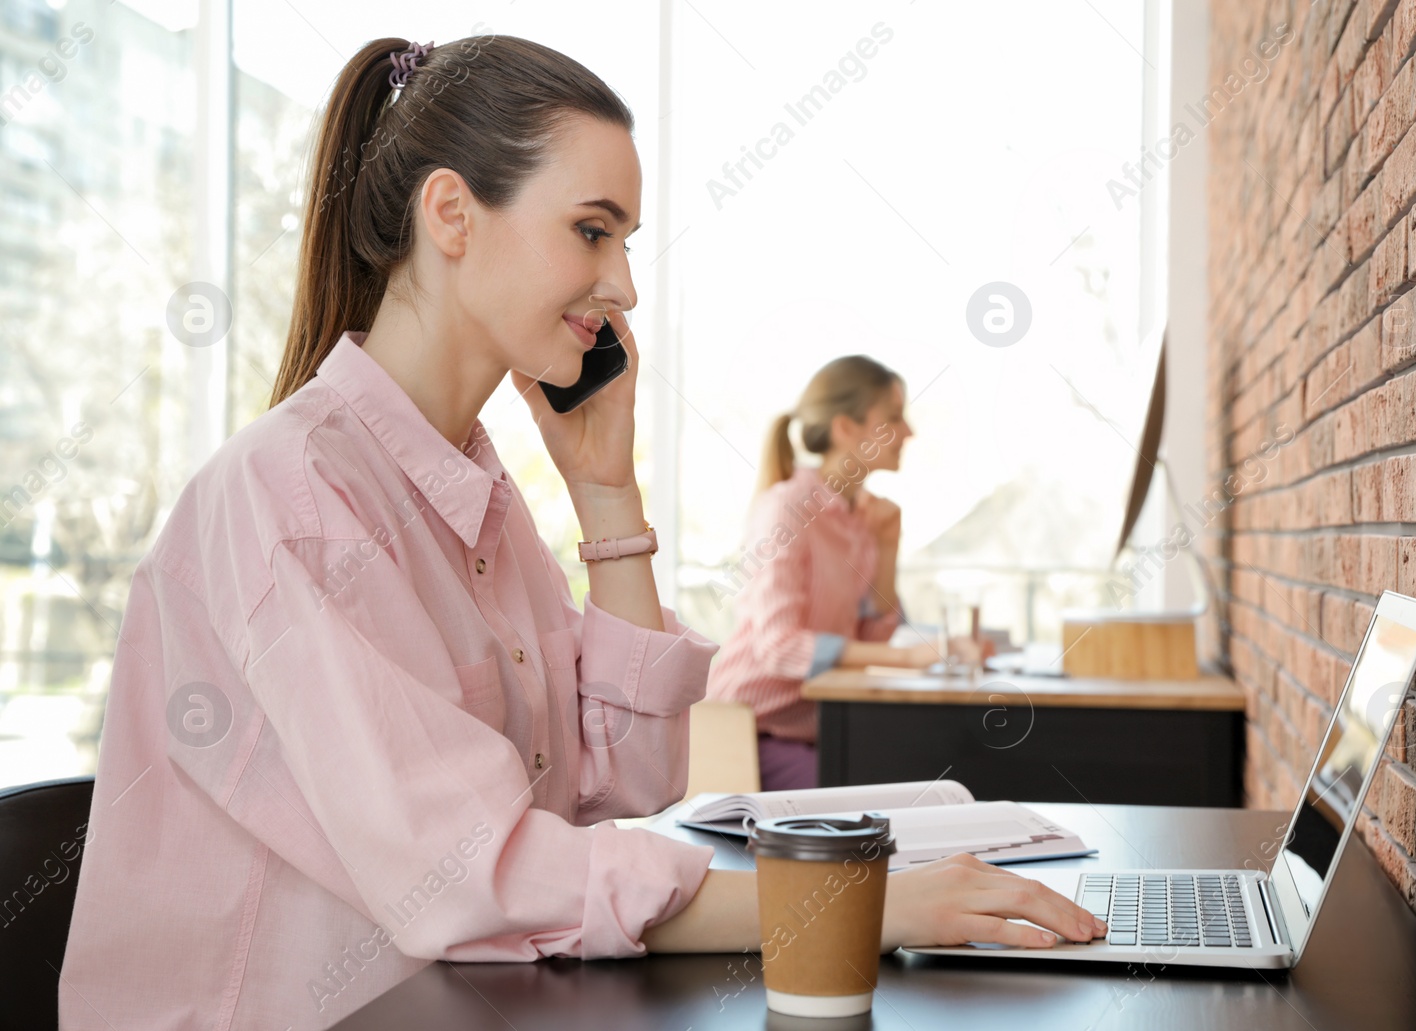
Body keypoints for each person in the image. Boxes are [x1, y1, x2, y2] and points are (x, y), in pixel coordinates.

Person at [57, 34, 1101, 1031]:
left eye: (627, 242)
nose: (626, 285)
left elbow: (628, 784)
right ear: (452, 214)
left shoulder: (479, 496)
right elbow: (479, 875)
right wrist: (863, 902)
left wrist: (606, 493)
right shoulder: (292, 496)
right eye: (592, 231)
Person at [705, 357, 990, 790]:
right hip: (747, 734)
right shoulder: (788, 508)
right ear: (845, 428)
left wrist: (888, 548)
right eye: (893, 417)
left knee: (935, 775)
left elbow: (868, 642)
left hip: (818, 733)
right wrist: (908, 658)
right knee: (883, 799)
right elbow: (778, 646)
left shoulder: (862, 518)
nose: (909, 432)